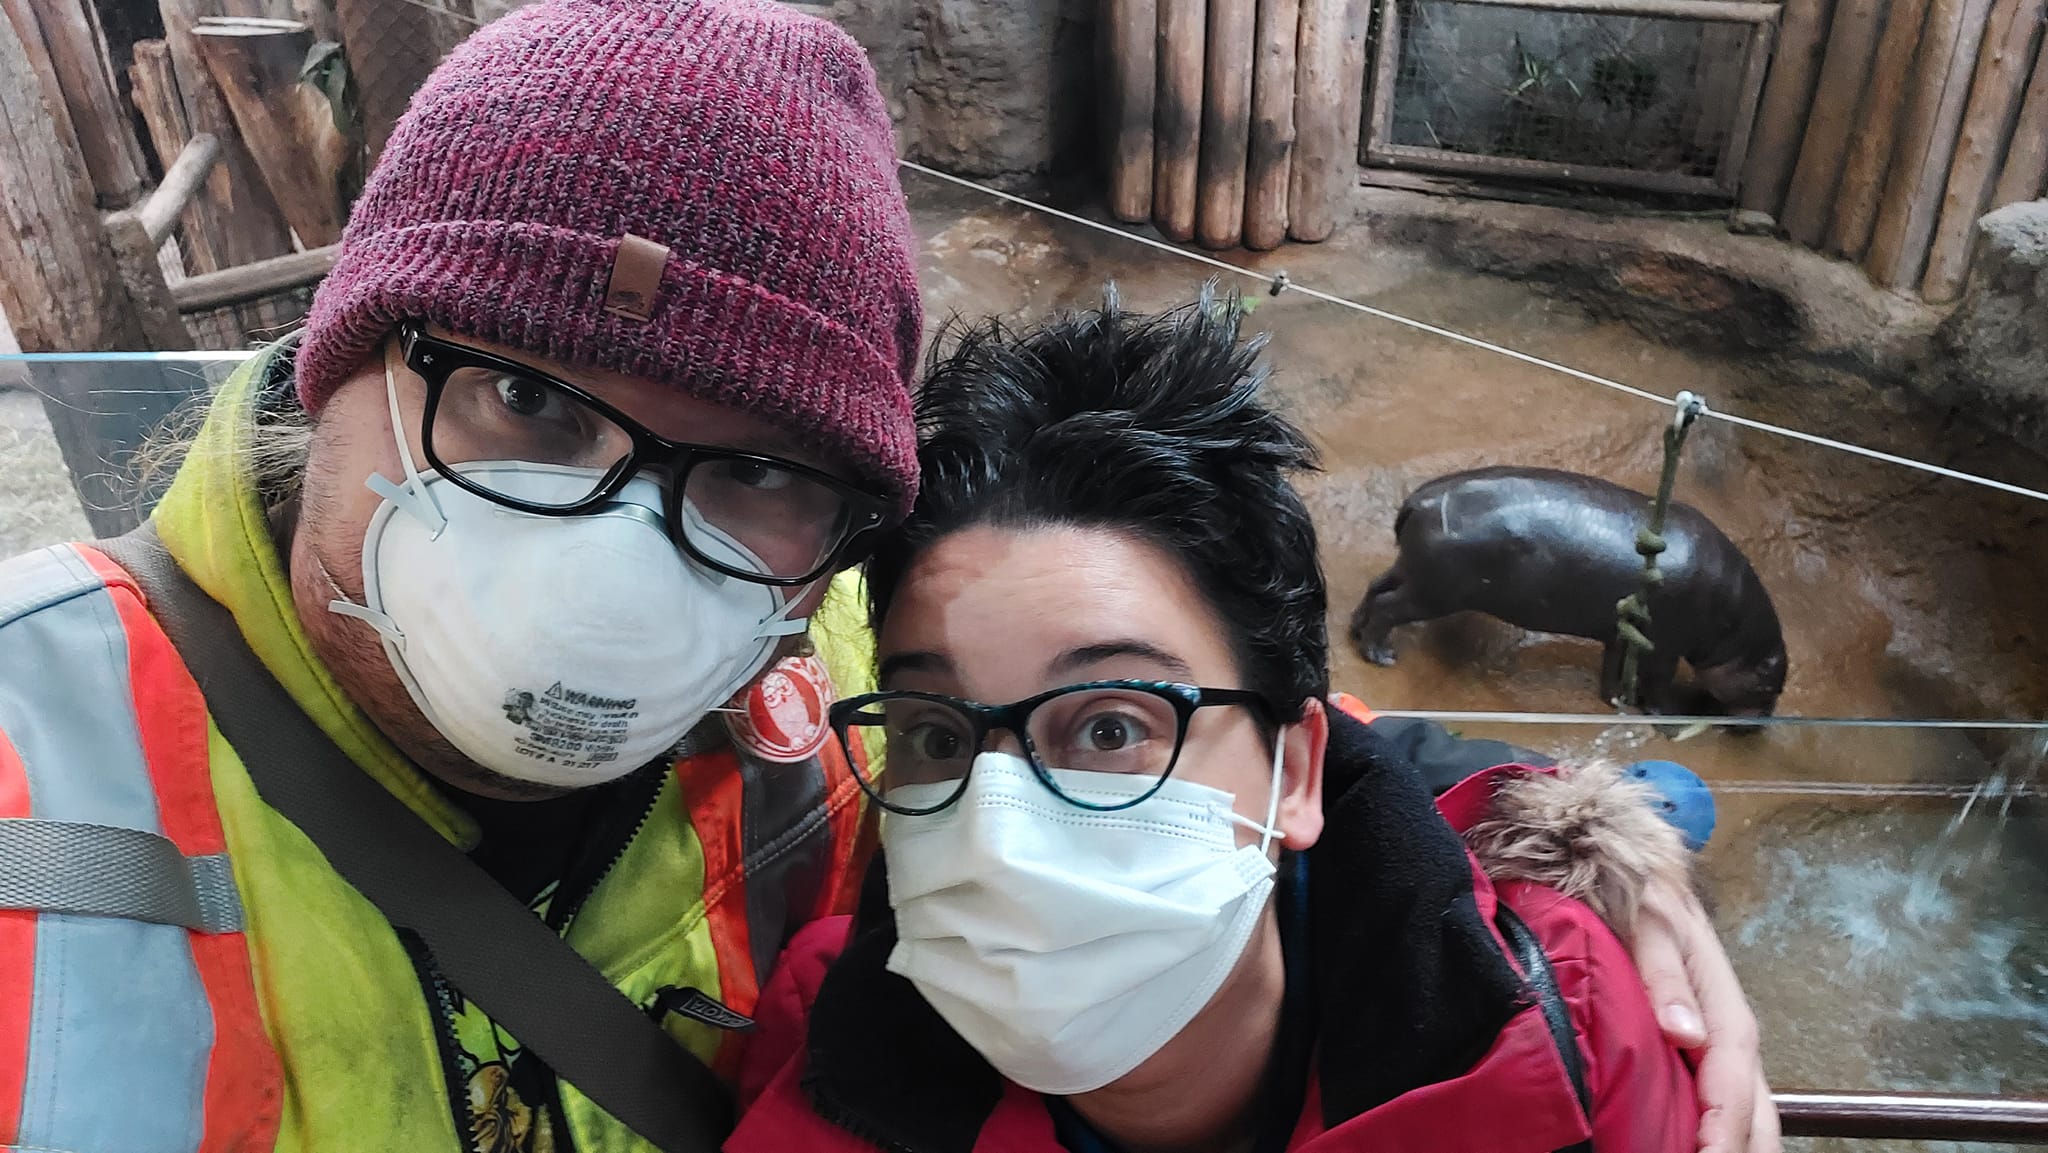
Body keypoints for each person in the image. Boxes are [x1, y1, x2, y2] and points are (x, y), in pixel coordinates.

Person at [0, 3, 1769, 1151]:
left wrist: (1573, 839)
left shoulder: (821, 671)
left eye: (759, 464)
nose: (618, 550)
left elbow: (1179, 694)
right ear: (344, 361)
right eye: (528, 397)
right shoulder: (34, 775)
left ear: (824, 535)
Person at [727, 291, 1735, 1152]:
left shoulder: (1565, 1027)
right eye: (936, 735)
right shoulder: (823, 1049)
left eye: (1112, 727)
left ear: (1294, 772)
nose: (997, 833)